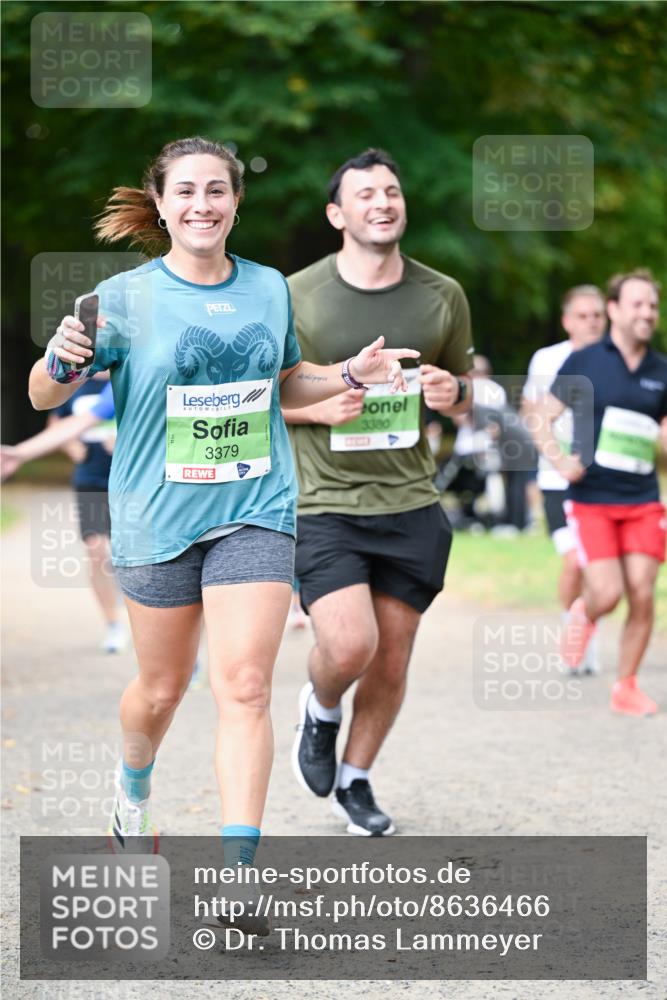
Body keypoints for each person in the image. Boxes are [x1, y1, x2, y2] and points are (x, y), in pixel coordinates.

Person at [27, 138, 418, 884]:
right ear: (163, 204)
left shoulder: (269, 288)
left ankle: (238, 872)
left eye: (216, 190)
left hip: (254, 508)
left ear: (237, 202)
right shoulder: (126, 298)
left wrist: (346, 374)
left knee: (242, 684)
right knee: (162, 689)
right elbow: (44, 395)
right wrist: (59, 359)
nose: (201, 204)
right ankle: (132, 791)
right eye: (185, 192)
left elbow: (286, 382)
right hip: (156, 517)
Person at [283, 148, 473, 836]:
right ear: (337, 213)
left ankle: (356, 779)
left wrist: (454, 395)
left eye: (391, 191)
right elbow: (266, 396)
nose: (382, 202)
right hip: (324, 501)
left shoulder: (441, 294)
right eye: (365, 194)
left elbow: (463, 390)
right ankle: (321, 707)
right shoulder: (295, 294)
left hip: (410, 502)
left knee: (392, 657)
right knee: (348, 645)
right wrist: (321, 404)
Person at [533, 269, 666, 716]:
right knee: (607, 594)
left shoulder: (661, 371)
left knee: (643, 593)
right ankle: (582, 616)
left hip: (644, 499)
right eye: (638, 304)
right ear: (614, 310)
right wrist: (559, 460)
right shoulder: (587, 361)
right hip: (592, 499)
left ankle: (625, 685)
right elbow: (541, 417)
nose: (647, 313)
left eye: (653, 305)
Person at [1, 378, 126, 653]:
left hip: (130, 482)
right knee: (97, 550)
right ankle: (114, 623)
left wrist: (127, 441)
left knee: (133, 555)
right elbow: (61, 425)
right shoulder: (77, 381)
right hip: (90, 479)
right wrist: (67, 448)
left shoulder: (130, 373)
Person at [522, 285, 607, 671]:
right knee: (575, 561)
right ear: (567, 320)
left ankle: (585, 631)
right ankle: (571, 626)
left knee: (599, 567)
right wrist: (560, 460)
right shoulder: (548, 359)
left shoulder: (619, 359)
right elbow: (532, 414)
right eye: (583, 315)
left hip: (604, 481)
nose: (591, 322)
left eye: (597, 315)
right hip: (558, 479)